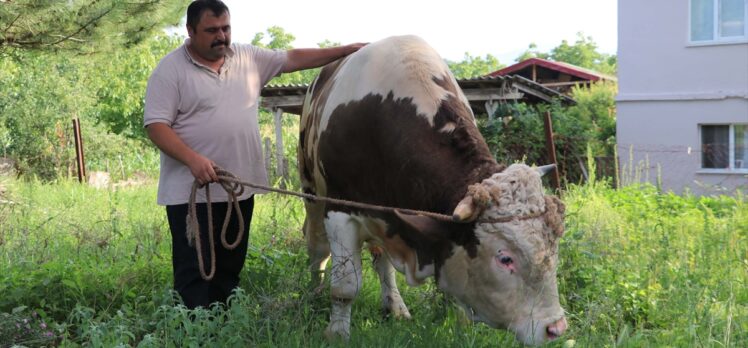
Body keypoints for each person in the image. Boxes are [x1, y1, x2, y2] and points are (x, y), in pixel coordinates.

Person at [143, 0, 365, 309]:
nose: (221, 36)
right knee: (193, 271)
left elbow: (291, 58)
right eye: (211, 30)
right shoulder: (169, 71)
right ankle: (194, 332)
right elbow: (156, 125)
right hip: (191, 195)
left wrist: (344, 50)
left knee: (230, 267)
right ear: (191, 31)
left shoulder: (248, 57)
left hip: (239, 189)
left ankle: (221, 324)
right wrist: (193, 160)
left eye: (226, 28)